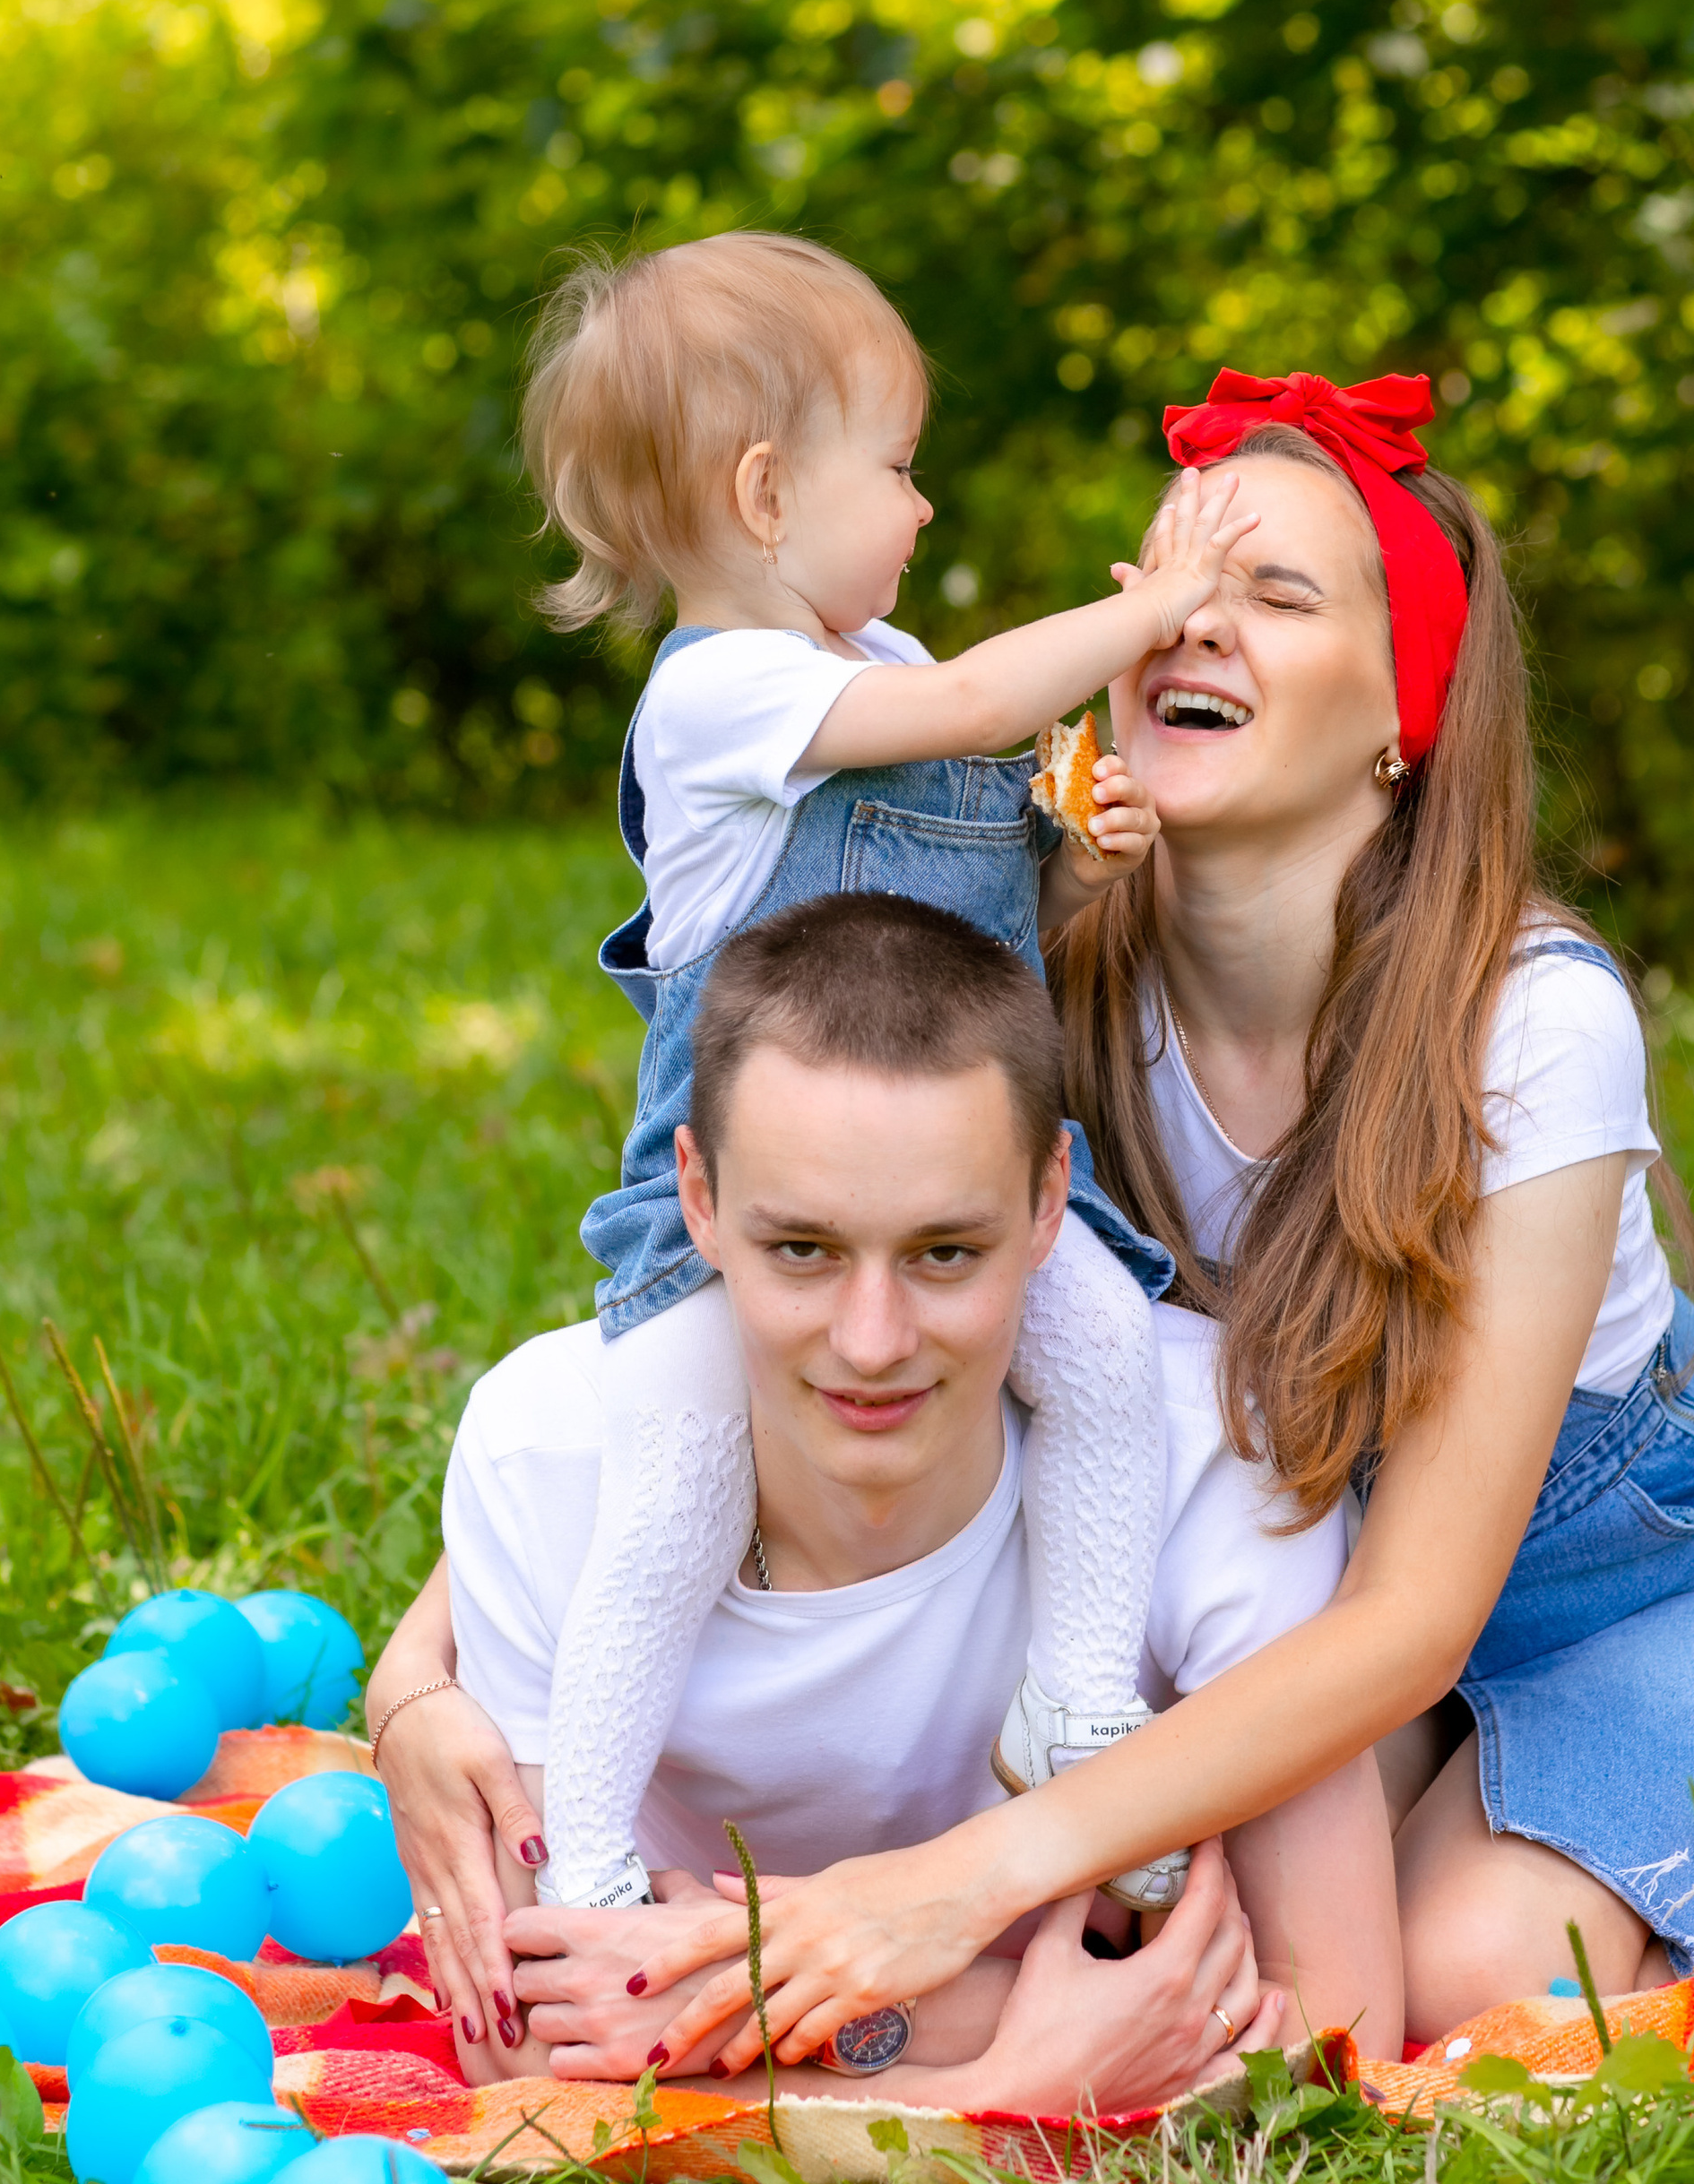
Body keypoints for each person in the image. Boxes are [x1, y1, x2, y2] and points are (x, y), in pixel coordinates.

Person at [372, 360, 1694, 2066]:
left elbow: (1417, 1619)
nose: (1191, 622)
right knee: (1205, 1935)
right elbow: (702, 1322)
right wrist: (415, 1679)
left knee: (1467, 1985)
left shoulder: (1526, 1026)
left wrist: (941, 1886)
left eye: (1274, 594)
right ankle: (1506, 1810)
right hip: (1305, 1576)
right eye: (1166, 577)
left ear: (1407, 708)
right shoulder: (1058, 957)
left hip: (1634, 1576)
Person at [499, 232, 1262, 1927]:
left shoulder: (887, 674)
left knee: (1105, 1360)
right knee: (680, 1486)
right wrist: (1154, 608)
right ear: (766, 493)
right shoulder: (718, 696)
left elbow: (973, 920)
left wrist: (1078, 860)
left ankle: (1075, 1700)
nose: (923, 509)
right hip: (744, 1218)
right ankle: (592, 1851)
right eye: (900, 468)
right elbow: (993, 696)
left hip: (952, 1187)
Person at [427, 888, 1401, 2105]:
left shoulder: (1210, 1444)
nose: (873, 1341)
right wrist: (997, 2075)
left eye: (945, 1253)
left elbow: (1340, 2014)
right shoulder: (546, 1450)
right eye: (804, 1250)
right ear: (699, 1200)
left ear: (1049, 1203)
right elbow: (521, 2049)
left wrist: (744, 2002)